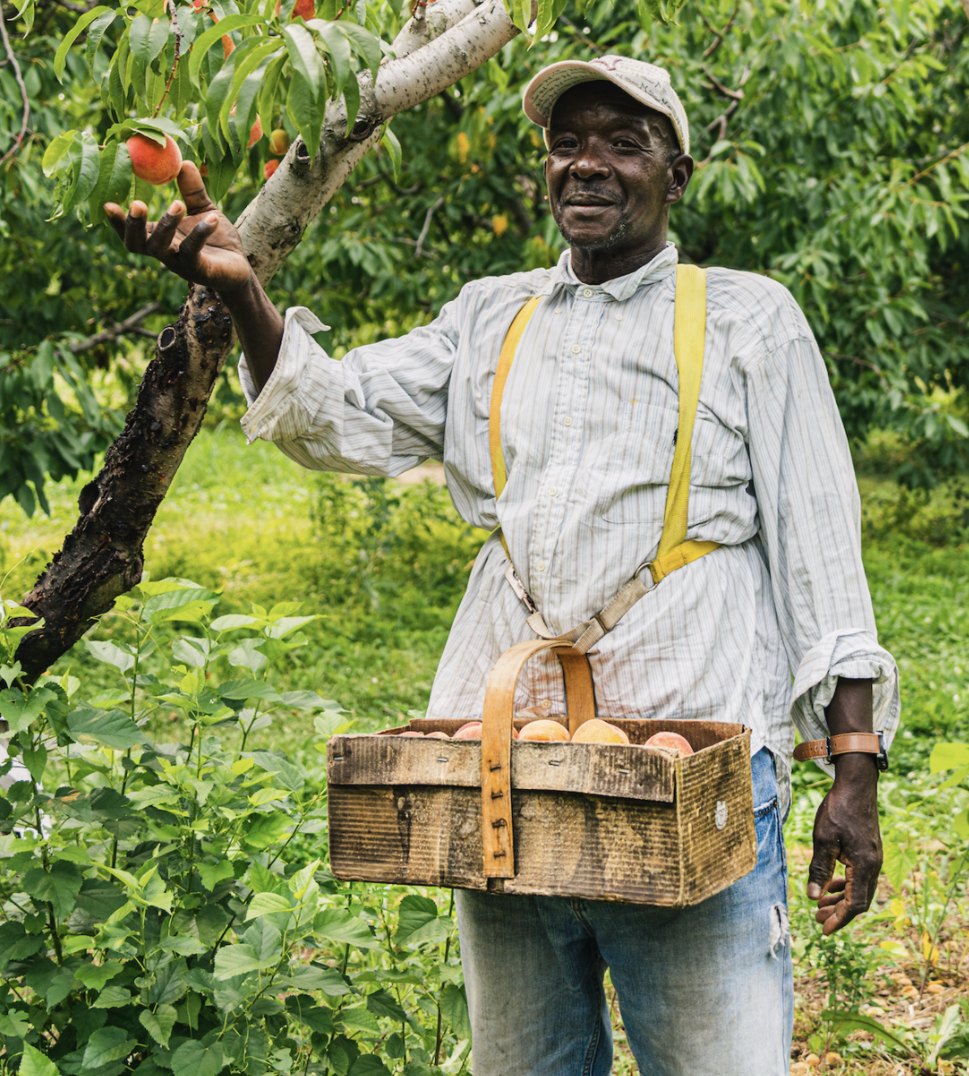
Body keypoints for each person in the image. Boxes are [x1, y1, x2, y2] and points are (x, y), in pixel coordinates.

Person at [107, 55, 897, 1076]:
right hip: (507, 775)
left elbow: (822, 553)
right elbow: (337, 416)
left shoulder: (749, 319)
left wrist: (853, 773)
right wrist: (244, 293)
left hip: (689, 773)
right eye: (567, 143)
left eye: (623, 141)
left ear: (678, 172)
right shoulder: (491, 316)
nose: (588, 165)